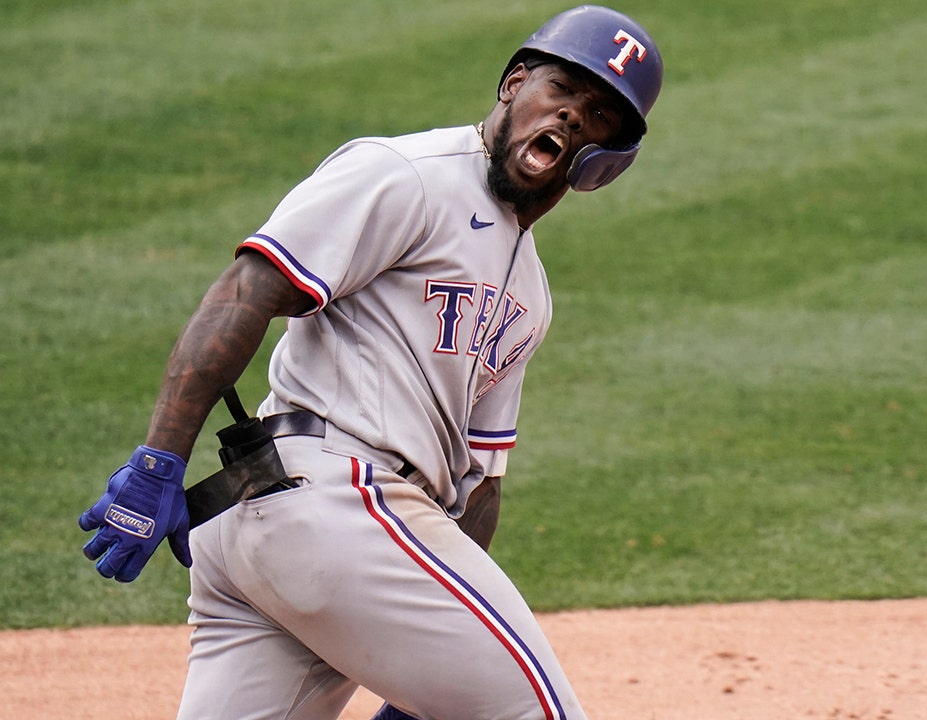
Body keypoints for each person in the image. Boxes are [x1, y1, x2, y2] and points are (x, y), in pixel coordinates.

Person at [77, 5, 663, 719]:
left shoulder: (531, 295)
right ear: (513, 85)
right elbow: (247, 290)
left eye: (598, 112)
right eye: (560, 91)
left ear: (610, 159)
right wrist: (157, 463)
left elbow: (479, 489)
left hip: (289, 538)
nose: (572, 116)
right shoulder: (408, 175)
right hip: (335, 504)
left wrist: (419, 696)